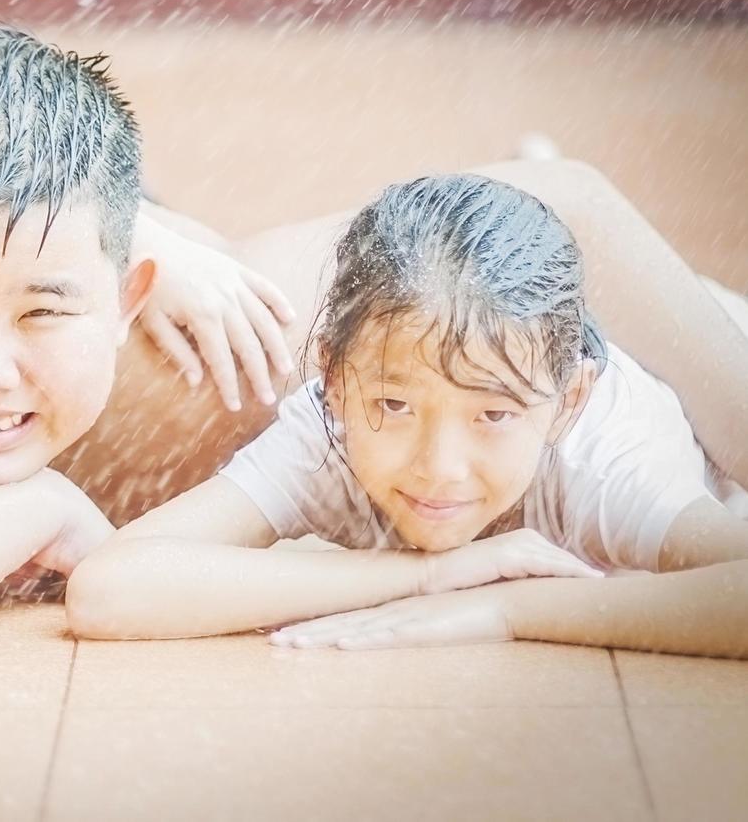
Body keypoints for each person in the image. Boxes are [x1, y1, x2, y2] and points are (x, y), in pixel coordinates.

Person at [0, 29, 748, 671]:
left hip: (45, 175)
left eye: (48, 317)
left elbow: (567, 205)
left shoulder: (236, 338)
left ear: (125, 300)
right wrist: (39, 508)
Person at [66, 175, 748, 658]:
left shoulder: (601, 459)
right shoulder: (329, 427)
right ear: (332, 379)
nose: (438, 467)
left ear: (566, 403)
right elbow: (108, 591)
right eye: (394, 407)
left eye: (492, 416)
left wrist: (506, 609)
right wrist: (423, 577)